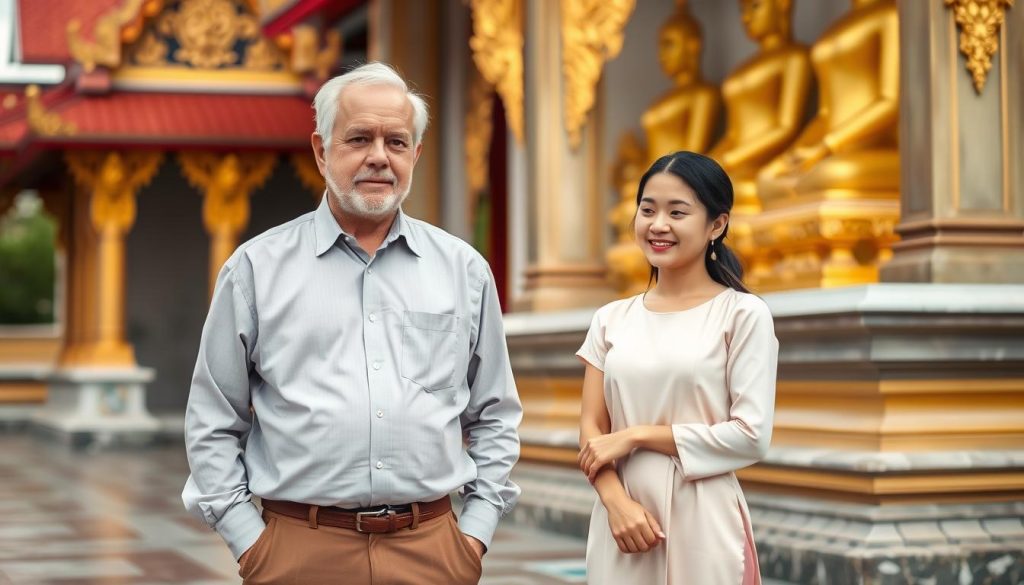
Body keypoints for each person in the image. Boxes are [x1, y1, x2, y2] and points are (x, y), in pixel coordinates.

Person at [182, 62, 522, 585]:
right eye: (359, 138)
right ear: (321, 150)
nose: (379, 158)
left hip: (432, 549)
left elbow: (495, 413)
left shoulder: (464, 270)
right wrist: (252, 542)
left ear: (416, 155)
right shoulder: (256, 269)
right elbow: (213, 418)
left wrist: (472, 534)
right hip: (297, 551)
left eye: (397, 142)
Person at [576, 151, 778, 584]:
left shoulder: (743, 315)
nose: (658, 224)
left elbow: (751, 436)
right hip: (622, 521)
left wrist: (635, 435)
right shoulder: (611, 318)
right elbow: (592, 427)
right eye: (647, 209)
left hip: (703, 515)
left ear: (716, 225)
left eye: (677, 212)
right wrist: (616, 504)